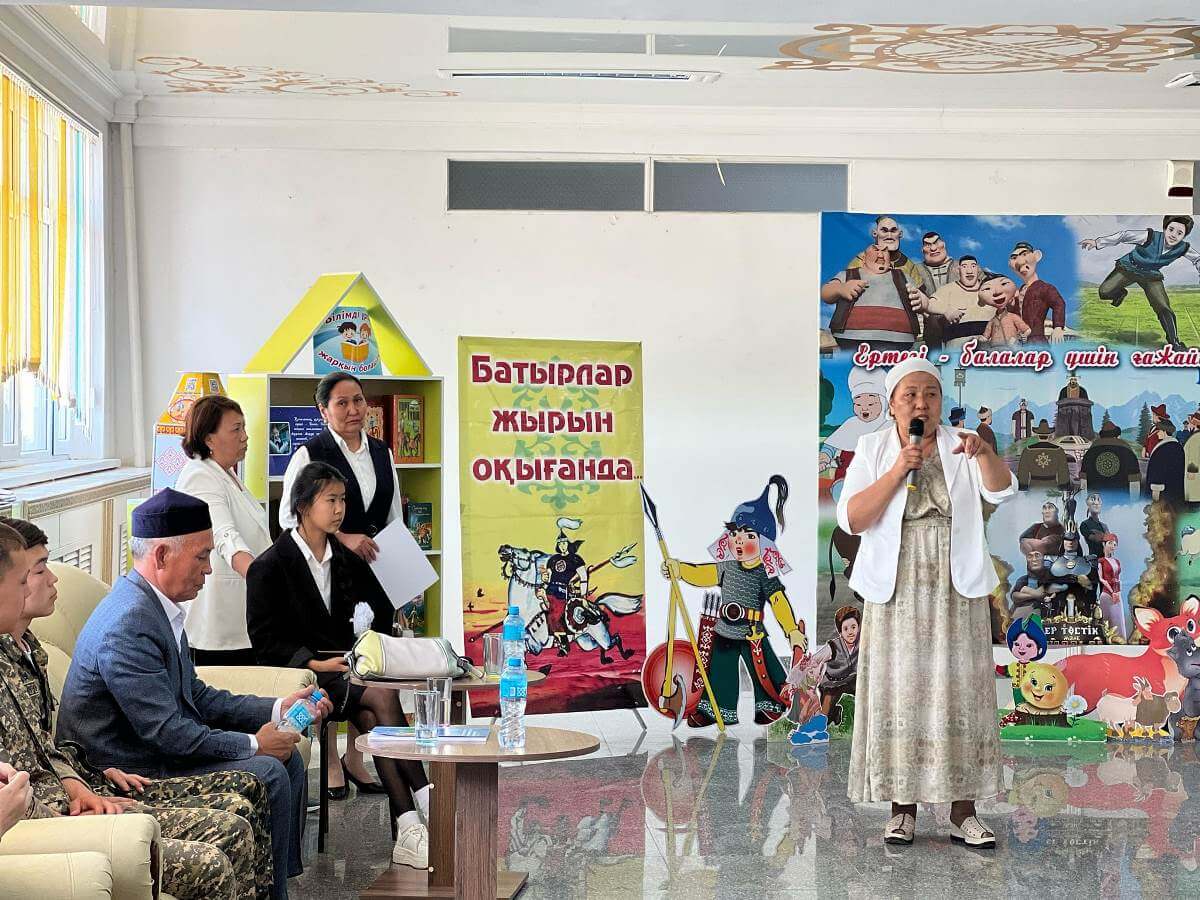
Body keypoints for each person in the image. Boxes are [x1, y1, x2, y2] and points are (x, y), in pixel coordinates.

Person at [55, 489, 332, 900]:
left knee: (285, 761)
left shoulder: (156, 605)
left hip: (155, 751)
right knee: (270, 768)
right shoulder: (129, 624)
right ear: (162, 555)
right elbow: (167, 734)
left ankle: (276, 889)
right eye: (201, 556)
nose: (209, 568)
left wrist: (277, 707)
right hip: (128, 771)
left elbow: (195, 695)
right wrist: (255, 743)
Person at [0, 517, 272, 899]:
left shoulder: (28, 650)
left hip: (85, 786)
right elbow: (166, 732)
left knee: (249, 789)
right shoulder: (128, 621)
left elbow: (44, 749)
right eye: (27, 577)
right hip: (58, 819)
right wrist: (79, 799)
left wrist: (79, 779)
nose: (47, 581)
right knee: (228, 832)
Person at [836, 356, 1016, 848]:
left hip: (955, 580)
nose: (921, 403)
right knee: (899, 689)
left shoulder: (963, 443)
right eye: (910, 395)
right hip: (896, 582)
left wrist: (985, 454)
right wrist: (899, 469)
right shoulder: (873, 448)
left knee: (962, 690)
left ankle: (964, 812)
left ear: (941, 401)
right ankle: (902, 810)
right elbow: (852, 519)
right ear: (892, 404)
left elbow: (1003, 492)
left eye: (930, 394)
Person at [247, 462, 431, 868]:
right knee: (381, 700)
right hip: (304, 684)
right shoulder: (268, 567)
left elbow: (369, 620)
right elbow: (265, 644)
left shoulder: (347, 559)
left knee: (376, 714)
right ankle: (424, 799)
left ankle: (409, 826)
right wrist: (315, 661)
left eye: (343, 499)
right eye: (330, 500)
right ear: (302, 505)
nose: (339, 509)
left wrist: (361, 654)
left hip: (350, 675)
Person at [278, 372, 403, 796]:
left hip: (378, 574)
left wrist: (406, 578)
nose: (353, 410)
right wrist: (341, 536)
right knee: (337, 663)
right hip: (329, 573)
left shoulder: (382, 452)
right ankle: (330, 757)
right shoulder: (309, 453)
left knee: (374, 665)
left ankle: (356, 756)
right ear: (323, 410)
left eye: (358, 401)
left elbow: (394, 519)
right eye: (342, 403)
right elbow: (287, 517)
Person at [661, 476, 808, 727]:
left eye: (748, 535)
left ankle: (770, 704)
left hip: (752, 633)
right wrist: (680, 569)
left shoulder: (764, 573)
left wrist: (792, 630)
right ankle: (716, 711)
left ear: (763, 543)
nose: (739, 540)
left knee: (764, 671)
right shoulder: (727, 566)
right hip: (724, 630)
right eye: (735, 533)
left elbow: (778, 601)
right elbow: (703, 574)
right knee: (720, 672)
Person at [175, 396, 274, 667]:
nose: (245, 437)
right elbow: (224, 535)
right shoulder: (200, 476)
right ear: (209, 438)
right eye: (236, 429)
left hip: (245, 616)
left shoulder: (226, 473)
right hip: (218, 626)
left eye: (244, 428)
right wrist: (260, 577)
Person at [1080, 215, 1200, 350]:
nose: (1173, 235)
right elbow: (1124, 236)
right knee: (1104, 292)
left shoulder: (1183, 248)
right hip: (1129, 267)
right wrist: (1097, 242)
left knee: (1163, 307)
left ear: (1184, 236)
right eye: (1171, 229)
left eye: (1179, 233)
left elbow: (1197, 259)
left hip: (1150, 276)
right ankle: (1120, 293)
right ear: (1165, 228)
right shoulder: (1149, 236)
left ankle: (1174, 343)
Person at [821, 243, 923, 351]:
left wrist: (920, 301)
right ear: (863, 258)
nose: (881, 255)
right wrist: (841, 288)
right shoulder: (848, 275)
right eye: (876, 250)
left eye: (885, 251)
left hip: (899, 340)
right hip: (851, 338)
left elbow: (920, 297)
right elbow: (825, 292)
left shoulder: (903, 276)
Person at [1008, 241, 1066, 344]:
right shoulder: (1017, 293)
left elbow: (1059, 303)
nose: (1020, 262)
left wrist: (1058, 327)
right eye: (1014, 257)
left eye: (1024, 254)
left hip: (1037, 340)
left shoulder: (1045, 288)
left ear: (1036, 256)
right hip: (1019, 342)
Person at [814, 605, 860, 726]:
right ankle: (834, 713)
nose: (850, 632)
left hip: (853, 680)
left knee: (867, 694)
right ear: (840, 632)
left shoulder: (862, 643)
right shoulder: (833, 647)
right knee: (824, 718)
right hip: (833, 683)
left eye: (853, 627)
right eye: (846, 629)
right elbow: (814, 661)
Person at [1097, 533, 1127, 639]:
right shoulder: (1101, 561)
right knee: (1107, 619)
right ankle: (1106, 639)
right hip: (1107, 594)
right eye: (1110, 543)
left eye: (1114, 544)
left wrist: (1118, 592)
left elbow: (1118, 578)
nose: (1112, 546)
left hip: (1117, 594)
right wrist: (1112, 591)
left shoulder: (1117, 561)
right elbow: (1101, 579)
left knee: (1118, 618)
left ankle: (1120, 639)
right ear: (1104, 544)